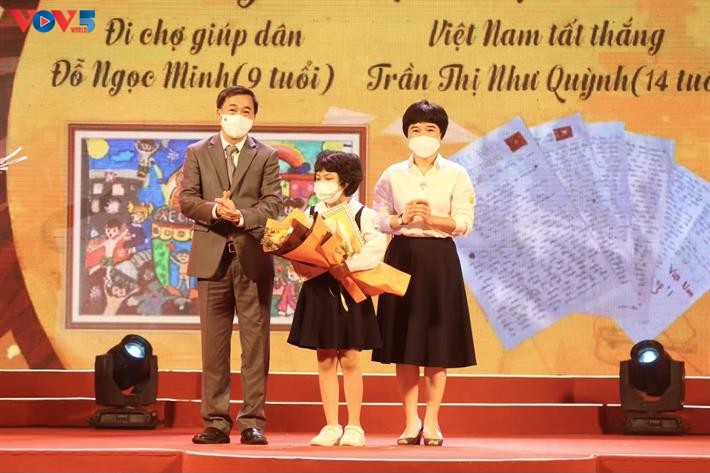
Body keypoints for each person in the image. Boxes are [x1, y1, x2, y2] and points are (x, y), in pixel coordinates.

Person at [179, 85, 282, 445]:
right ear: (219, 112)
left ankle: (252, 421)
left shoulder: (266, 156)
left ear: (254, 117)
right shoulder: (197, 152)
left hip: (252, 257)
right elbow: (186, 199)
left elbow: (273, 204)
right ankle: (216, 422)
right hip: (211, 259)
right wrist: (214, 210)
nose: (238, 116)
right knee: (214, 346)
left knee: (256, 345)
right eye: (232, 109)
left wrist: (240, 217)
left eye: (246, 111)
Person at [372, 99, 476, 447]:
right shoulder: (392, 174)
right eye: (415, 129)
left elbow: (465, 222)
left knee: (436, 343)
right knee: (405, 343)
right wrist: (400, 219)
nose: (422, 136)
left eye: (430, 129)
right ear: (407, 135)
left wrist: (432, 220)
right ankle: (410, 421)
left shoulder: (456, 174)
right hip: (402, 255)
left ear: (441, 135)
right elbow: (378, 218)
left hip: (439, 259)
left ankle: (432, 421)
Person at [287, 150, 386, 447]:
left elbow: (376, 249)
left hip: (350, 287)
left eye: (328, 178)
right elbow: (297, 249)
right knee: (325, 358)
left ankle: (354, 426)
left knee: (351, 357)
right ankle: (331, 425)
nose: (321, 183)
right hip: (319, 290)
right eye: (318, 177)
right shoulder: (310, 214)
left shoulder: (364, 215)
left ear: (345, 182)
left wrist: (347, 265)